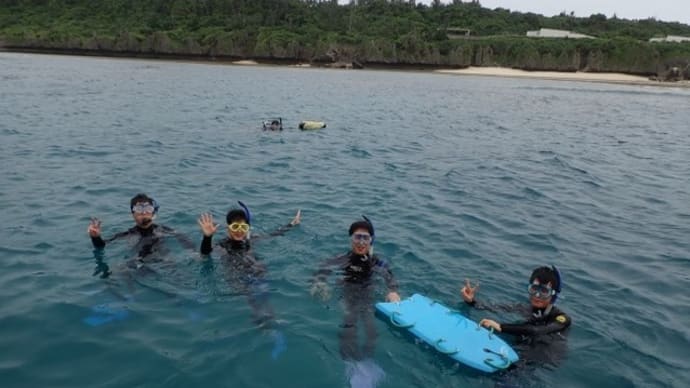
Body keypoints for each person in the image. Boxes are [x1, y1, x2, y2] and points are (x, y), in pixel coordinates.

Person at [197, 201, 300, 359]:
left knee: (263, 297)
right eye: (235, 228)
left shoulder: (252, 241)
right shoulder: (222, 245)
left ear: (247, 228)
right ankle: (268, 329)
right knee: (253, 299)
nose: (239, 232)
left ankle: (272, 328)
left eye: (243, 228)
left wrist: (292, 224)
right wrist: (207, 237)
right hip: (237, 277)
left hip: (257, 274)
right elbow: (206, 254)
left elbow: (275, 234)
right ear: (228, 229)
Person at [310, 217, 401, 365]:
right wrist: (320, 283)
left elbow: (389, 275)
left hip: (368, 294)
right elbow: (323, 268)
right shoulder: (343, 259)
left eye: (365, 238)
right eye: (357, 237)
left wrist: (392, 290)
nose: (361, 242)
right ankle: (348, 362)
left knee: (372, 331)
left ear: (371, 241)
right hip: (348, 293)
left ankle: (367, 361)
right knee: (349, 326)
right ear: (351, 239)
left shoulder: (377, 262)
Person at [460, 265, 571, 367]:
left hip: (544, 357)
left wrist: (501, 327)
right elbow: (494, 308)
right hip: (524, 345)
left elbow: (536, 330)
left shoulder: (562, 318)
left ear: (553, 294)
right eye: (534, 289)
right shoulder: (525, 308)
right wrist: (471, 302)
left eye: (544, 291)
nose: (537, 295)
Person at [87, 193, 194, 275]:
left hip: (164, 263)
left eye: (148, 209)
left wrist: (194, 252)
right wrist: (96, 237)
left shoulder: (164, 230)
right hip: (136, 264)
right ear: (132, 214)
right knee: (117, 272)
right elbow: (101, 246)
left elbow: (183, 238)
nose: (144, 213)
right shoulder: (127, 234)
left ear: (153, 212)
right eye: (139, 209)